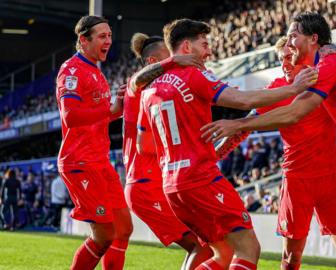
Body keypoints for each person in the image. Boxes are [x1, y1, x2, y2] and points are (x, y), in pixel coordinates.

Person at [201, 12, 336, 270]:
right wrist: (215, 155)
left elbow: (293, 113)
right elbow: (249, 120)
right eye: (281, 57)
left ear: (313, 39)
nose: (286, 58)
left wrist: (236, 121)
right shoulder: (291, 83)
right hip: (302, 176)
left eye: (293, 38)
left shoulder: (321, 72)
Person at [136, 18, 316, 270]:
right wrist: (293, 89)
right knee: (248, 248)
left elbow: (144, 147)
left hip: (172, 184)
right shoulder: (194, 74)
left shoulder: (148, 90)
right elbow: (242, 100)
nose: (209, 51)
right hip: (200, 177)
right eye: (204, 44)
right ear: (187, 47)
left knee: (222, 253)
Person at [214, 36, 336, 270]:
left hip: (332, 178)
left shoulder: (324, 79)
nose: (284, 64)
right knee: (291, 258)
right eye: (280, 60)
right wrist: (216, 155)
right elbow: (246, 126)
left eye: (288, 57)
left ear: (301, 56)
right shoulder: (278, 88)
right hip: (296, 181)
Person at [124, 32, 213, 270]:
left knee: (209, 244)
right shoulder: (141, 86)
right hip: (146, 185)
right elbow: (146, 146)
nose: (176, 59)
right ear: (154, 63)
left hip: (157, 182)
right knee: (203, 247)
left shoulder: (158, 89)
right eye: (169, 56)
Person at [55, 15, 132, 270]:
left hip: (100, 161)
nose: (109, 41)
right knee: (104, 235)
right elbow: (72, 116)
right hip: (80, 162)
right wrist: (110, 109)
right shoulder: (72, 71)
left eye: (110, 35)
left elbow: (100, 116)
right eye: (102, 36)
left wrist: (119, 108)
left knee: (123, 228)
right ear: (83, 39)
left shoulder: (96, 72)